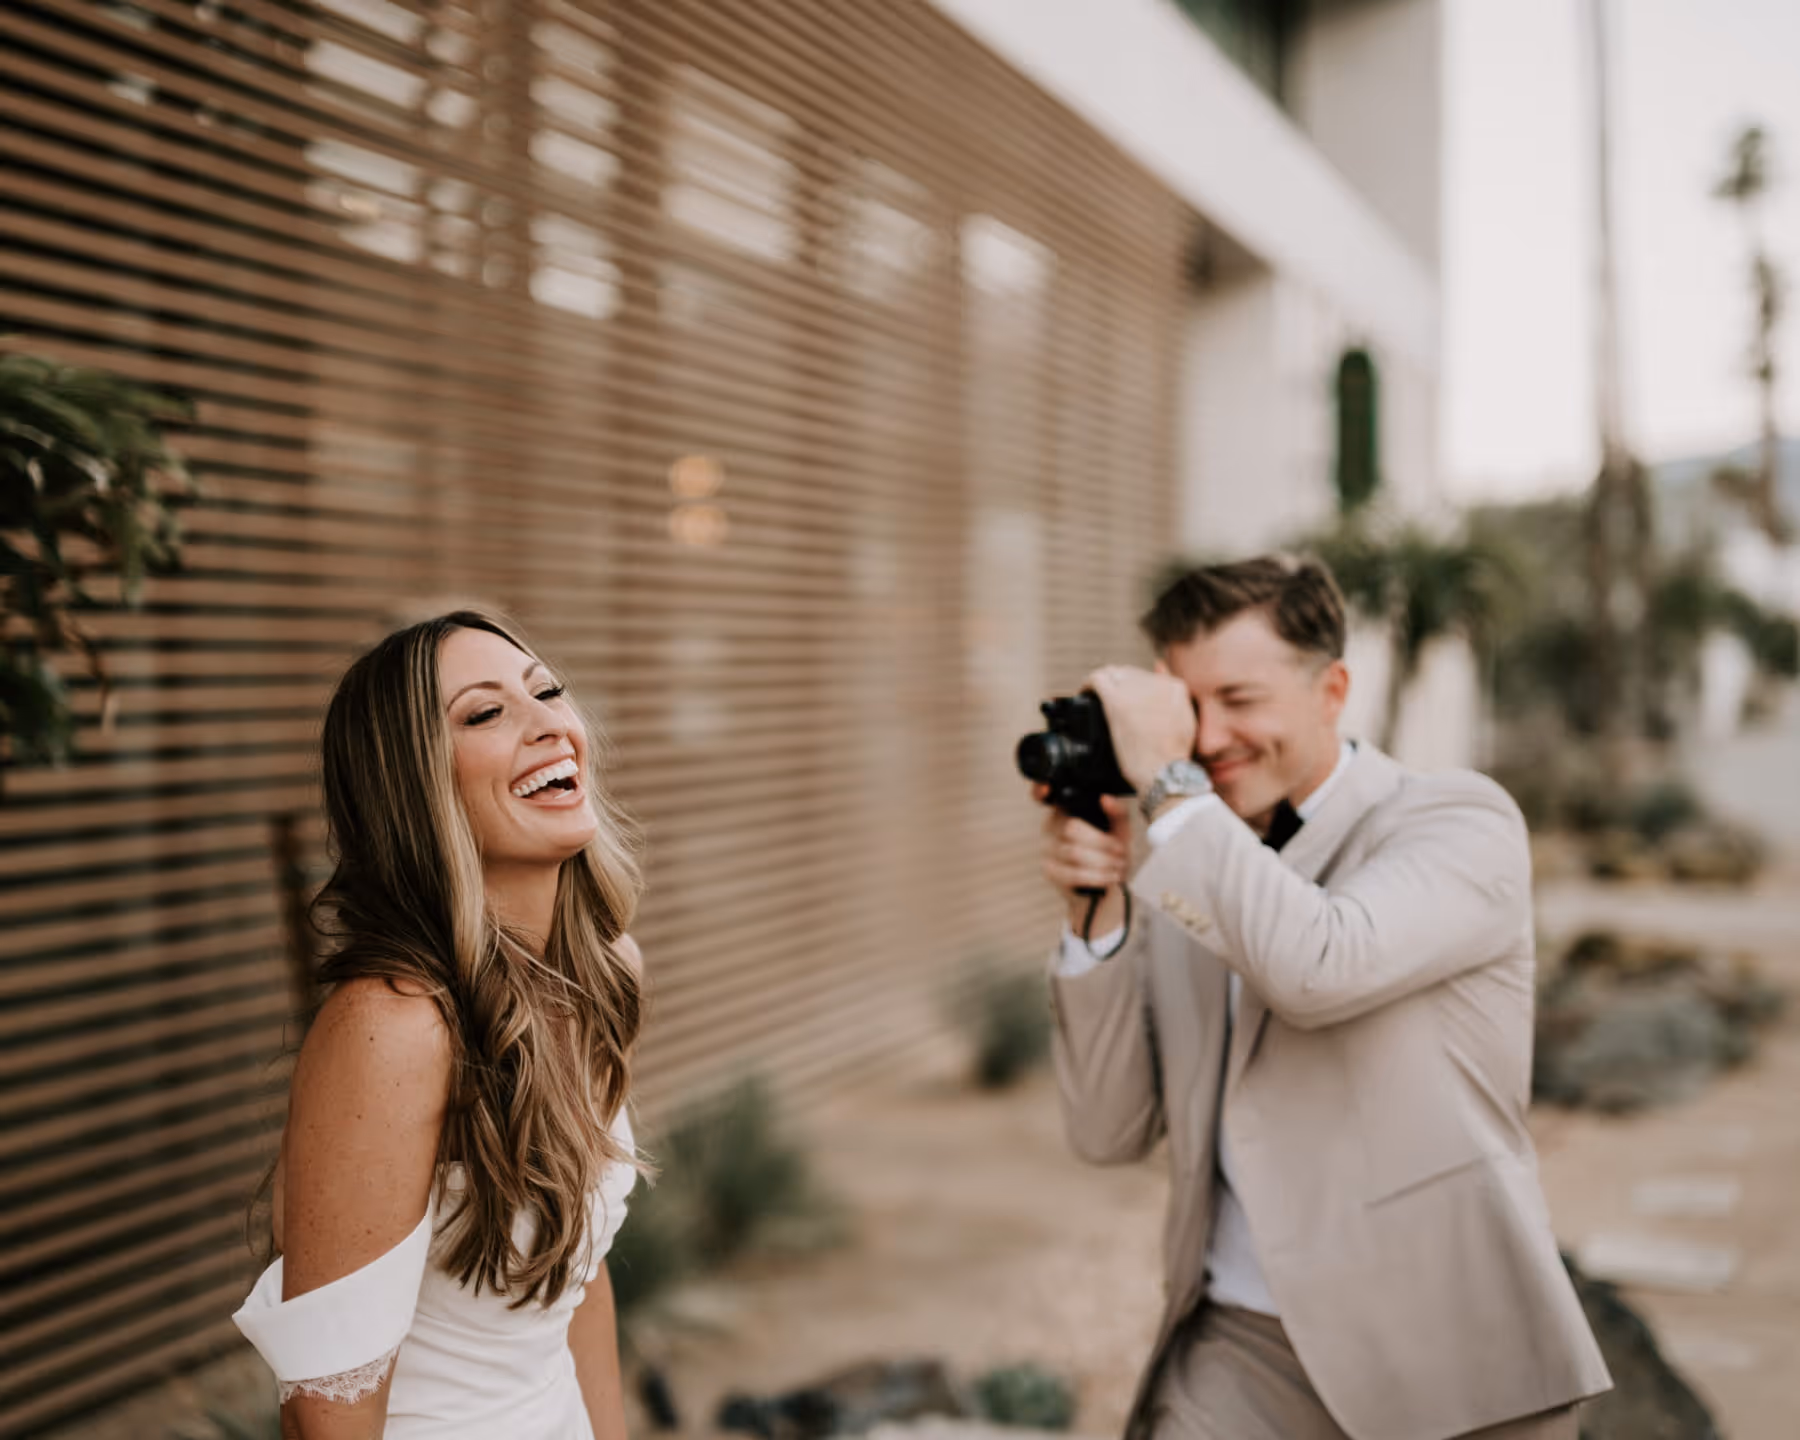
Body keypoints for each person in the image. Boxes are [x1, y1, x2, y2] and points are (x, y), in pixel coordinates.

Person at [1035, 556, 1610, 1440]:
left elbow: (1319, 965)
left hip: (1447, 1353)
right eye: (1186, 707)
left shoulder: (1457, 821)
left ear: (1332, 690)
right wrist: (1098, 913)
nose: (1209, 735)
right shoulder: (1195, 858)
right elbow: (1108, 1130)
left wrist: (1168, 786)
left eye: (1240, 698)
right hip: (1235, 1356)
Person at [234, 610, 647, 1440]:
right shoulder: (393, 1024)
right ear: (415, 789)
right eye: (485, 714)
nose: (550, 726)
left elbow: (578, 1281)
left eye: (547, 692)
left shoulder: (603, 971)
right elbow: (327, 1404)